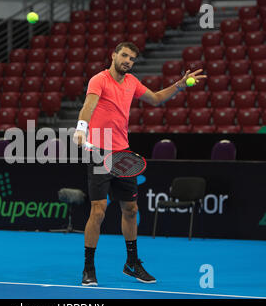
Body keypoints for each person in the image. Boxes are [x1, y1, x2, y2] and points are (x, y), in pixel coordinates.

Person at [72, 42, 207, 286]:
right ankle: (89, 267)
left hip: (123, 153)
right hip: (98, 151)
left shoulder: (132, 82)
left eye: (132, 58)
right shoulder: (99, 80)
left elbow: (155, 99)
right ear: (113, 55)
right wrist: (81, 129)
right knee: (99, 209)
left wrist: (179, 85)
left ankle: (132, 263)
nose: (127, 61)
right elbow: (88, 107)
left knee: (131, 210)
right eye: (124, 55)